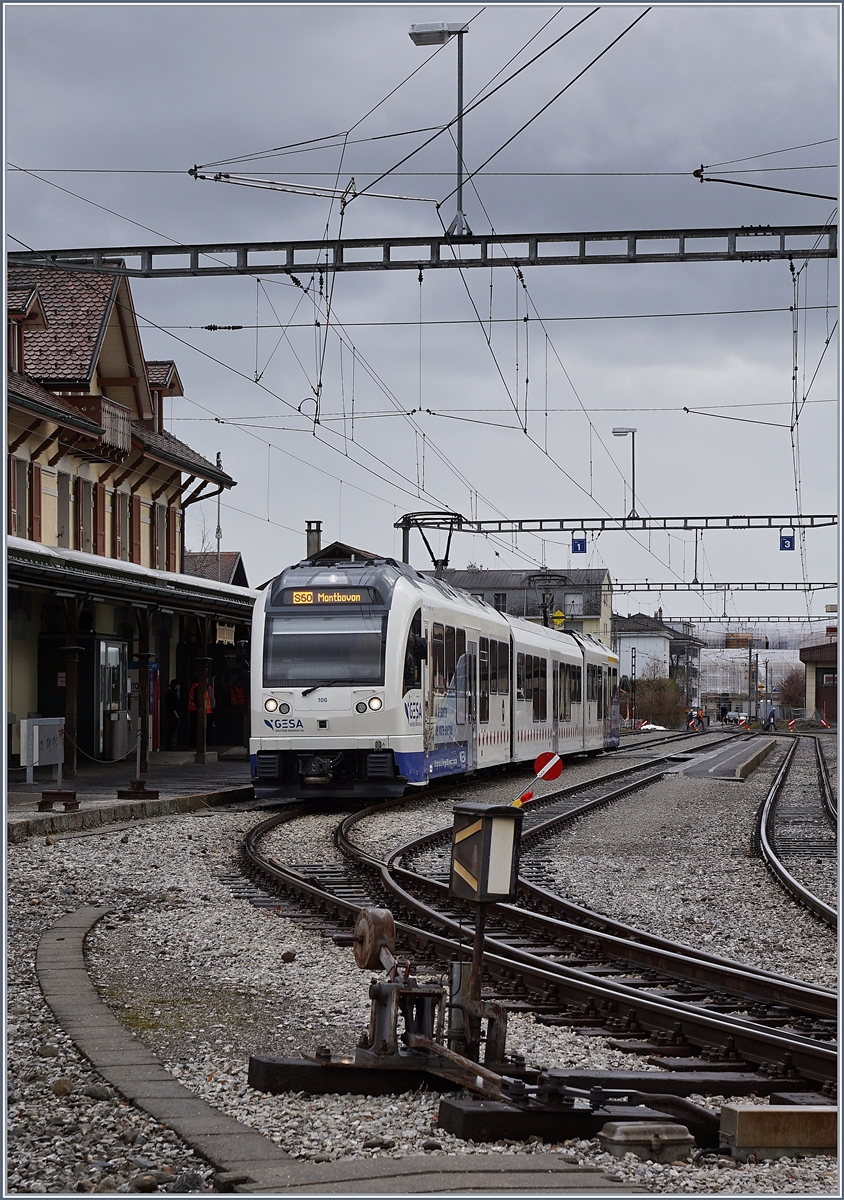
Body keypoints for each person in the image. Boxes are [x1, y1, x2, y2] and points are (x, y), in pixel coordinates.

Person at [188, 678, 217, 747]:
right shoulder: (198, 687)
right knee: (197, 728)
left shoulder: (207, 688)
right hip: (199, 711)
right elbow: (198, 700)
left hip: (207, 711)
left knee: (205, 728)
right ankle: (196, 743)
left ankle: (205, 742)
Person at [165, 680, 181, 751]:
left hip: (171, 714)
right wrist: (176, 714)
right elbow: (171, 706)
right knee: (172, 732)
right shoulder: (172, 694)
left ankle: (170, 746)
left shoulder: (170, 693)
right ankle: (170, 746)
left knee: (171, 731)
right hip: (173, 715)